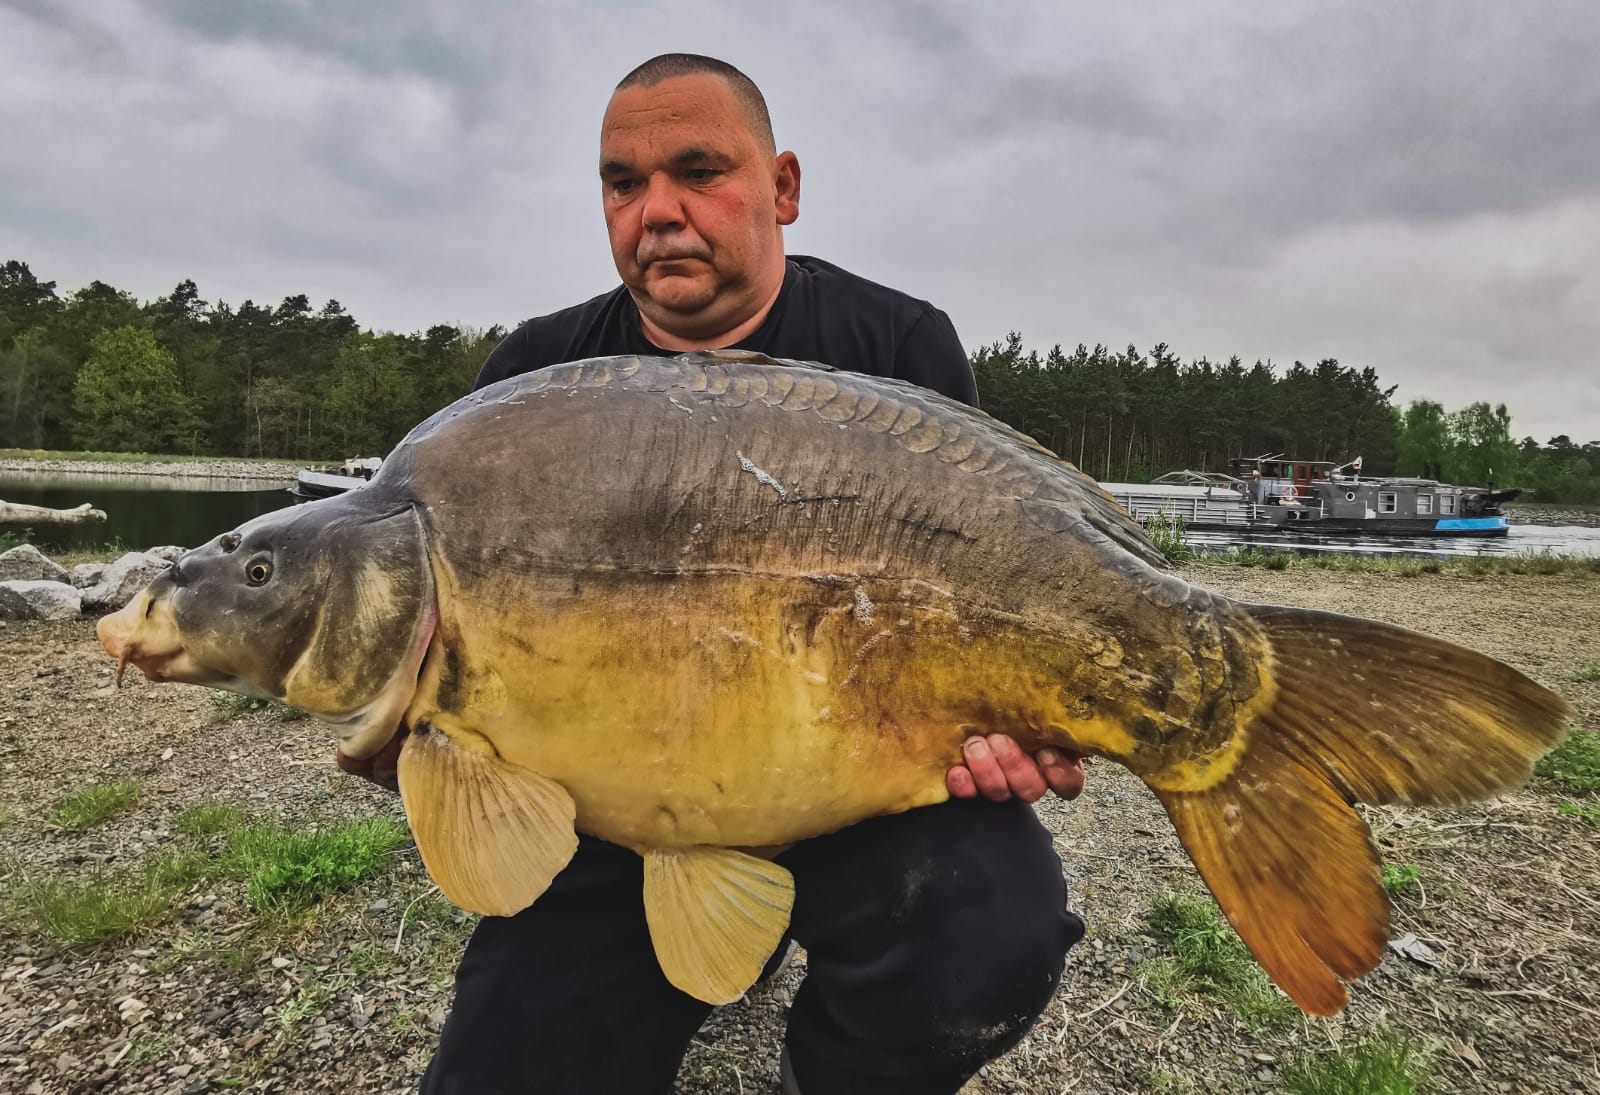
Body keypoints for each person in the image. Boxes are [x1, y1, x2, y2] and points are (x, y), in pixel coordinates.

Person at [343, 53, 1088, 1095]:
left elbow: (976, 606)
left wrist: (1004, 729)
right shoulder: (527, 389)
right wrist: (418, 733)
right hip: (607, 810)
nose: (657, 211)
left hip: (856, 794)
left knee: (985, 942)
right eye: (622, 183)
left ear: (781, 187)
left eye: (698, 171)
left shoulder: (897, 345)